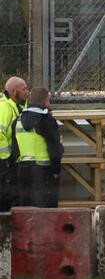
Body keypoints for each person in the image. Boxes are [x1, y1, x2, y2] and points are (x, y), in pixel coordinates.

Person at [11, 88, 63, 207]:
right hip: (43, 170)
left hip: (23, 170)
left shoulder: (18, 120)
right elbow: (53, 146)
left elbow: (15, 148)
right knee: (46, 210)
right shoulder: (46, 120)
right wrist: (56, 169)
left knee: (26, 210)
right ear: (45, 102)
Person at [0, 76, 26, 211]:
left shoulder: (15, 106)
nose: (26, 92)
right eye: (24, 89)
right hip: (5, 162)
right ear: (14, 91)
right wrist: (6, 158)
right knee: (6, 196)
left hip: (10, 161)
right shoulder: (4, 108)